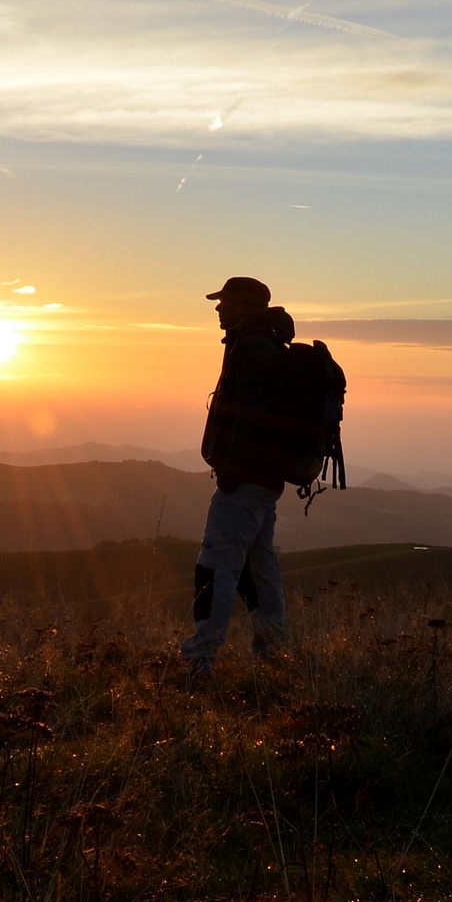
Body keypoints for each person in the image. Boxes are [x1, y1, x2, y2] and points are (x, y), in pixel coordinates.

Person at [181, 276, 294, 680]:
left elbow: (253, 412)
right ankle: (274, 655)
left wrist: (231, 469)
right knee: (260, 568)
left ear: (244, 305)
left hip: (245, 480)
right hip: (264, 479)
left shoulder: (253, 348)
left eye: (224, 301)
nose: (217, 308)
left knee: (215, 566)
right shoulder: (264, 344)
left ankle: (201, 663)